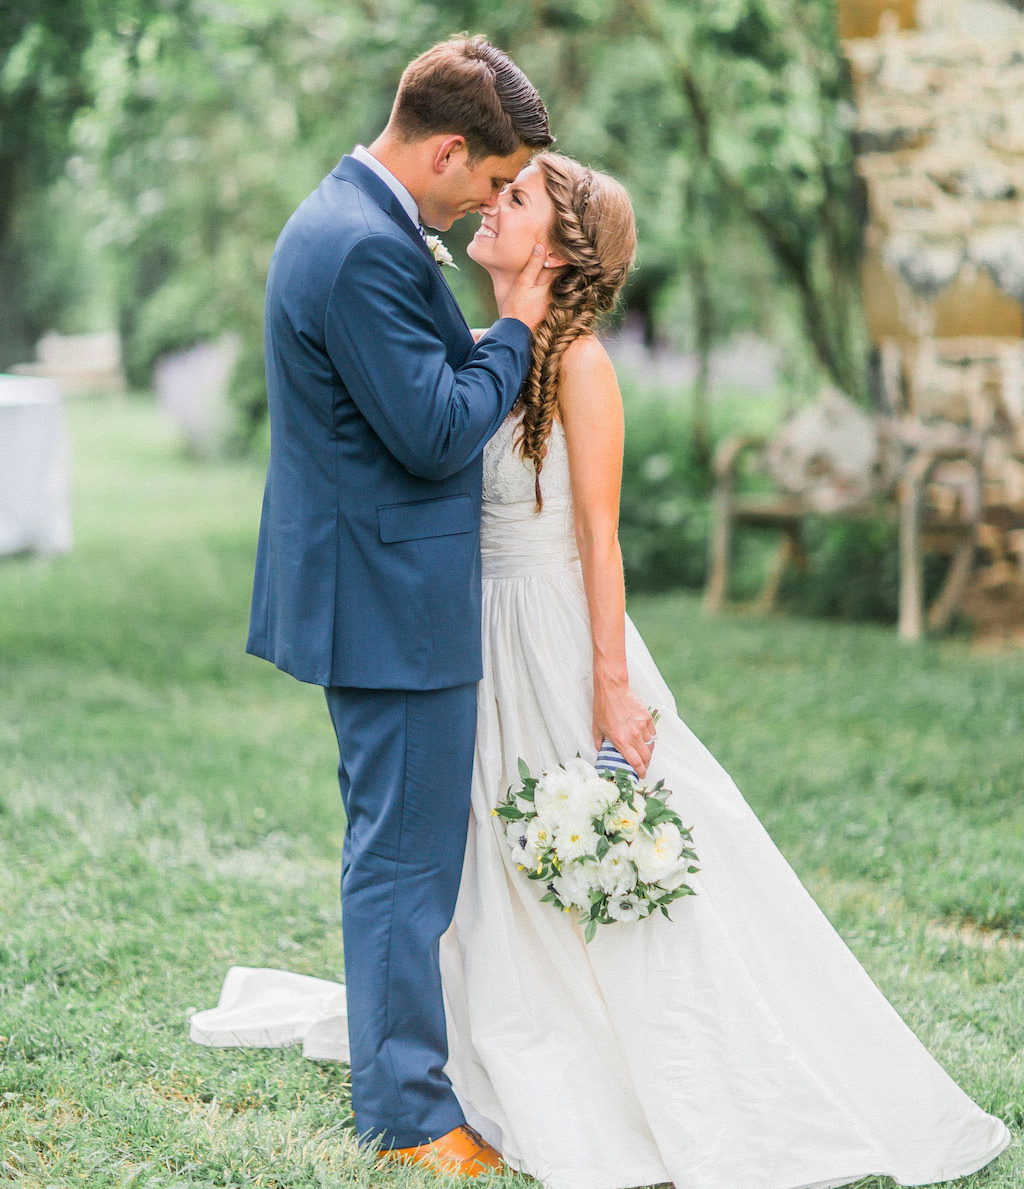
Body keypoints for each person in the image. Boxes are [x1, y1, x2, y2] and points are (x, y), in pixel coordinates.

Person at [196, 150, 1011, 1189]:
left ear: (560, 248)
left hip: (548, 635)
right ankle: (475, 1028)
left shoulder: (578, 364)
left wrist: (611, 685)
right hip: (457, 634)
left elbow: (599, 538)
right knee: (479, 848)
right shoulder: (482, 339)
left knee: (594, 844)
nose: (494, 205)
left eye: (519, 198)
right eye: (497, 187)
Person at [243, 35, 557, 1176]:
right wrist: (516, 321)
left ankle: (412, 1082)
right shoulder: (362, 248)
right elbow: (431, 431)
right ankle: (412, 1118)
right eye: (490, 178)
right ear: (446, 148)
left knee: (401, 851)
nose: (491, 200)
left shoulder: (354, 221)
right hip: (387, 599)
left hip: (373, 584)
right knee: (401, 862)